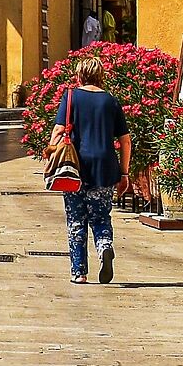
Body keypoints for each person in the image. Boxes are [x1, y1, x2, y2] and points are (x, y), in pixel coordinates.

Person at [52, 58, 130, 284]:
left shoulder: (71, 97)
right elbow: (125, 141)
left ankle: (79, 272)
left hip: (75, 167)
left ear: (79, 75)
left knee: (76, 218)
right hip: (105, 167)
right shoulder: (110, 101)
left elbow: (58, 130)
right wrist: (124, 173)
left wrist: (51, 155)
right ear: (101, 76)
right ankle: (105, 246)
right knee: (101, 216)